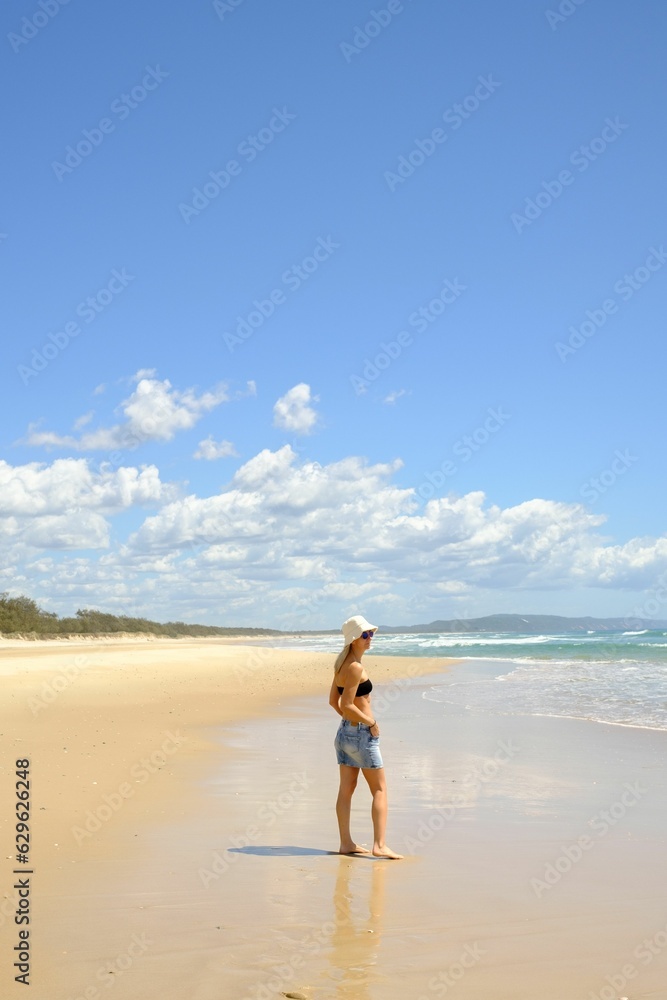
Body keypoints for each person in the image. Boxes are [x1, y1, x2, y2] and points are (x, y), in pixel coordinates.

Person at [329, 615, 404, 859]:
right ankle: (379, 845)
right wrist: (369, 723)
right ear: (353, 640)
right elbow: (347, 703)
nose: (370, 638)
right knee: (380, 789)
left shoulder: (342, 664)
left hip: (344, 734)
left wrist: (350, 724)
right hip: (361, 734)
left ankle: (346, 843)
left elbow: (333, 702)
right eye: (364, 635)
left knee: (346, 789)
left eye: (371, 633)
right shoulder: (355, 667)